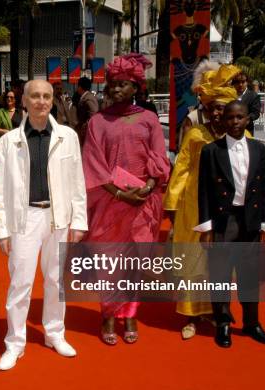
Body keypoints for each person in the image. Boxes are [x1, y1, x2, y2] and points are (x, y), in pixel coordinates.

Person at [0, 79, 87, 371]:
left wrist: (79, 220)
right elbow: (0, 191)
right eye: (35, 96)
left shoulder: (68, 136)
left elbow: (77, 182)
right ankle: (15, 342)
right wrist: (2, 229)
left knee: (56, 281)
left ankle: (55, 334)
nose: (41, 101)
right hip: (24, 220)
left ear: (53, 100)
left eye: (46, 96)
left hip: (58, 218)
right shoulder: (7, 141)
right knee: (20, 283)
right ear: (24, 100)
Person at [82, 53, 169, 345]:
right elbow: (92, 163)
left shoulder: (149, 119)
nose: (116, 89)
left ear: (136, 88)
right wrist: (119, 192)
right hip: (109, 201)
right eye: (112, 85)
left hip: (144, 203)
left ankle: (130, 313)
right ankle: (108, 314)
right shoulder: (97, 121)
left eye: (123, 84)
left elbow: (159, 156)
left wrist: (146, 187)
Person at [163, 64, 241, 339]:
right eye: (213, 107)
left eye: (223, 107)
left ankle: (215, 310)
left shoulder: (241, 139)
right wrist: (171, 204)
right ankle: (190, 316)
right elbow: (181, 169)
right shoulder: (196, 135)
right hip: (193, 209)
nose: (218, 112)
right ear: (206, 109)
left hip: (228, 212)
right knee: (192, 261)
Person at [195, 100, 265, 348]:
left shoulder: (259, 149)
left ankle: (252, 323)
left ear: (247, 119)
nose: (234, 122)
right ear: (223, 120)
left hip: (250, 221)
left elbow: (264, 190)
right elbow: (205, 192)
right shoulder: (211, 151)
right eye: (229, 117)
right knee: (220, 274)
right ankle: (223, 323)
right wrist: (206, 228)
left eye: (239, 117)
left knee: (249, 274)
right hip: (224, 220)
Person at [74, 76, 99, 146]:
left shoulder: (88, 98)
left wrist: (85, 126)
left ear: (80, 87)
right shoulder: (85, 97)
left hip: (87, 131)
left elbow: (94, 113)